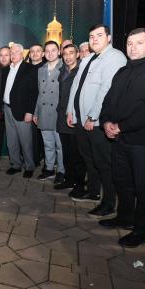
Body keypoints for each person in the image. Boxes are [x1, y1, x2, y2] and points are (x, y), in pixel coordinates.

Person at [98, 28, 145, 247]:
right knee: (122, 182)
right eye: (129, 43)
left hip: (144, 142)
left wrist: (120, 126)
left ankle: (142, 232)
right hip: (120, 139)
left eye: (139, 43)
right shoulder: (123, 71)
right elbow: (109, 100)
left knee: (143, 189)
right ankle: (125, 217)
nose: (132, 47)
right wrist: (106, 121)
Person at [66, 24, 126, 215]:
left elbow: (106, 90)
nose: (94, 39)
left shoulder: (115, 57)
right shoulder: (88, 58)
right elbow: (75, 86)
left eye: (99, 35)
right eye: (91, 36)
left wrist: (93, 116)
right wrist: (70, 111)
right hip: (81, 120)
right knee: (89, 159)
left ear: (109, 38)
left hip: (97, 123)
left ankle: (108, 203)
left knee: (104, 163)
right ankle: (93, 192)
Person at [2, 44, 38, 177]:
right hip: (7, 108)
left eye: (16, 52)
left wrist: (30, 111)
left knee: (25, 141)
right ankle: (16, 164)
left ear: (22, 54)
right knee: (11, 140)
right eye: (11, 52)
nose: (13, 54)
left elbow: (34, 92)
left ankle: (29, 166)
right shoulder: (7, 69)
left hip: (23, 111)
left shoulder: (30, 69)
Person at [55, 44, 86, 191]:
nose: (67, 56)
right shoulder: (62, 71)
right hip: (62, 117)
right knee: (66, 152)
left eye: (71, 53)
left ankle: (79, 184)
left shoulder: (82, 71)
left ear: (77, 54)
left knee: (77, 153)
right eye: (65, 54)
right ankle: (69, 180)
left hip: (74, 117)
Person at [34, 41, 65, 181]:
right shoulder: (41, 69)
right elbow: (39, 93)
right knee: (48, 144)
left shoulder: (65, 66)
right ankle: (49, 168)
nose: (50, 53)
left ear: (59, 52)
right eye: (47, 51)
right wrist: (36, 112)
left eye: (53, 50)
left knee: (60, 145)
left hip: (58, 112)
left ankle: (62, 171)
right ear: (44, 54)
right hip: (44, 111)